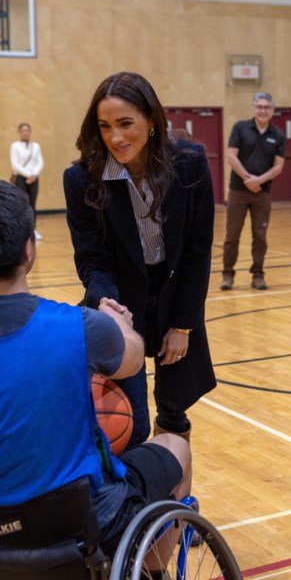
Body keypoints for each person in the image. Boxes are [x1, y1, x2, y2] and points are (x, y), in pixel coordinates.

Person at [0, 178, 192, 560]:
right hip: (82, 529)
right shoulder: (80, 326)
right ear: (28, 250)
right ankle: (153, 571)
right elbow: (133, 360)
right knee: (175, 445)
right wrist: (120, 325)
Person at [64, 71, 216, 448]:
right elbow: (92, 259)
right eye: (105, 126)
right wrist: (108, 306)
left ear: (151, 121)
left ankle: (173, 502)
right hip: (117, 299)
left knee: (174, 409)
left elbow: (197, 251)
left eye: (125, 124)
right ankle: (130, 501)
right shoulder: (82, 180)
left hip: (173, 294)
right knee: (127, 422)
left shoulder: (189, 164)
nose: (115, 137)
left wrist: (182, 325)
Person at [221, 92, 286, 291]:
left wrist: (259, 180)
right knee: (232, 235)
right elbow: (231, 157)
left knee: (260, 236)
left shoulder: (279, 135)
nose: (263, 110)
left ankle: (258, 275)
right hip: (238, 192)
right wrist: (248, 178)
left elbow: (279, 166)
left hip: (263, 193)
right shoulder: (240, 128)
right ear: (254, 108)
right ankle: (227, 275)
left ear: (273, 110)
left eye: (267, 107)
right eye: (259, 106)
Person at [10, 122, 44, 241]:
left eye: (27, 130)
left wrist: (34, 174)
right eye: (23, 130)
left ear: (30, 132)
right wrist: (28, 175)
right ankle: (21, 231)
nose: (25, 132)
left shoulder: (36, 146)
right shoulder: (15, 146)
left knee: (32, 204)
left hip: (34, 178)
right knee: (22, 204)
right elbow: (15, 164)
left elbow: (40, 162)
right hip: (21, 178)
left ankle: (32, 230)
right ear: (19, 132)